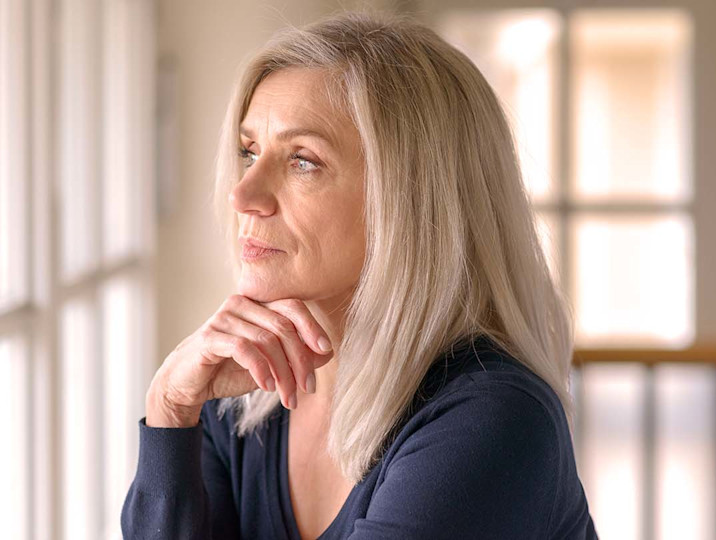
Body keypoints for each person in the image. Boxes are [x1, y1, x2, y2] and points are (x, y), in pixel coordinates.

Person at [122, 11, 597, 540]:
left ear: (411, 202)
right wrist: (168, 407)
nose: (243, 195)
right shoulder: (241, 405)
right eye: (249, 151)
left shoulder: (492, 421)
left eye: (302, 160)